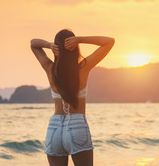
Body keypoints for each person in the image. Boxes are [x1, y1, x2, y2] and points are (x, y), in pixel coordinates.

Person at [31, 29, 115, 166]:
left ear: (56, 48)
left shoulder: (50, 68)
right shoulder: (83, 68)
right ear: (75, 48)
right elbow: (109, 42)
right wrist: (80, 39)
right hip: (77, 126)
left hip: (54, 128)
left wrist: (49, 45)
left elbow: (33, 44)